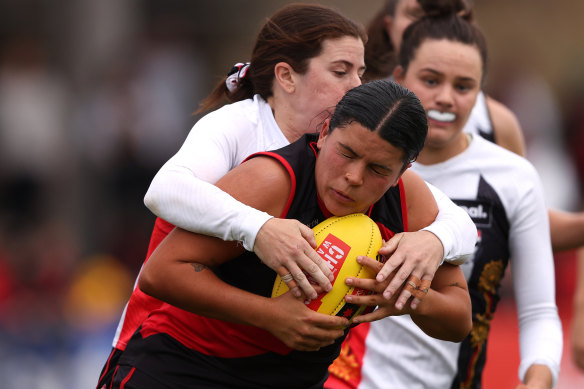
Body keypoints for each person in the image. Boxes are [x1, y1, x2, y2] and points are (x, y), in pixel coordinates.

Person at [95, 4, 477, 389]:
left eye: (378, 170)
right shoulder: (259, 154)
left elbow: (460, 278)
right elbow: (162, 224)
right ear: (325, 132)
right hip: (185, 364)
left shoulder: (399, 185)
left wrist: (423, 267)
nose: (353, 177)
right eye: (341, 71)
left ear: (402, 172)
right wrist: (259, 236)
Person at [326, 10, 563, 389]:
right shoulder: (350, 163)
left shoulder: (513, 178)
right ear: (400, 77)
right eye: (431, 80)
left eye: (464, 86)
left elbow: (538, 311)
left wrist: (538, 378)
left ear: (481, 92)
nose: (445, 98)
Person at [364, 0, 584, 253]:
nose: (429, 27)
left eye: (442, 15)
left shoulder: (496, 122)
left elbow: (524, 223)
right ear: (389, 25)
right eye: (416, 14)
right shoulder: (358, 105)